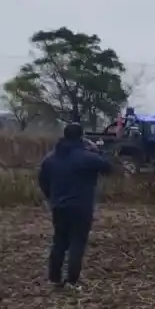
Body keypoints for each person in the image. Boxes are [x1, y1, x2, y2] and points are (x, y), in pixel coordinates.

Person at [37, 123, 113, 290]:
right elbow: (108, 167)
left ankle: (54, 278)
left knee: (59, 242)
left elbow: (42, 181)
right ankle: (72, 281)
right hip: (81, 207)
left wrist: (52, 197)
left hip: (59, 207)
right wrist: (97, 150)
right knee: (77, 243)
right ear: (81, 136)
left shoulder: (50, 159)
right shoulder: (88, 157)